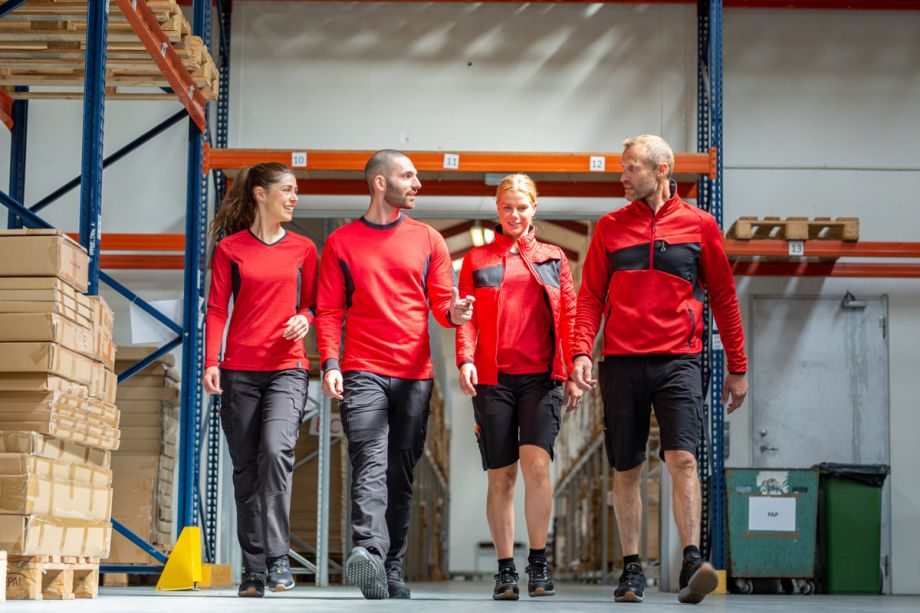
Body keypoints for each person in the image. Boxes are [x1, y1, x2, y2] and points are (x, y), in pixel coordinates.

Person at [571, 135, 749, 605]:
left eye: (631, 168)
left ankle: (692, 560)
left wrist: (738, 365)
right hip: (622, 363)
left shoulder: (699, 225)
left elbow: (725, 297)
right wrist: (581, 351)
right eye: (622, 168)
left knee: (682, 458)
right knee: (626, 466)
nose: (622, 177)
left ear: (662, 170)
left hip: (679, 358)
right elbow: (589, 295)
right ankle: (632, 570)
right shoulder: (609, 228)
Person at [315, 149, 474, 600]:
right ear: (380, 182)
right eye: (408, 175)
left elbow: (443, 307)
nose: (417, 183)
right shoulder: (343, 243)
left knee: (400, 472)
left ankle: (391, 566)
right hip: (363, 368)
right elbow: (329, 310)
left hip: (414, 375)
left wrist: (457, 312)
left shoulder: (429, 240)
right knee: (369, 459)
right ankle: (368, 549)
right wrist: (330, 362)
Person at [455, 174, 581, 600]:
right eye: (507, 207)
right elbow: (466, 317)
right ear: (497, 208)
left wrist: (573, 367)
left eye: (522, 207)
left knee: (538, 467)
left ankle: (539, 564)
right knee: (502, 476)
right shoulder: (476, 260)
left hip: (542, 378)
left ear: (534, 209)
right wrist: (466, 359)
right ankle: (506, 570)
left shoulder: (553, 257)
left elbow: (571, 315)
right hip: (494, 379)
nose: (514, 214)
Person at [202, 162, 317, 598]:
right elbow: (216, 309)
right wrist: (212, 361)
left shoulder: (304, 249)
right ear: (260, 194)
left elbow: (314, 305)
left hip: (288, 368)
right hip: (238, 372)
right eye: (287, 190)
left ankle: (278, 557)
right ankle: (254, 569)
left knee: (275, 450)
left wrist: (305, 320)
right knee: (246, 469)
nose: (294, 197)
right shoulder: (231, 249)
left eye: (295, 190)